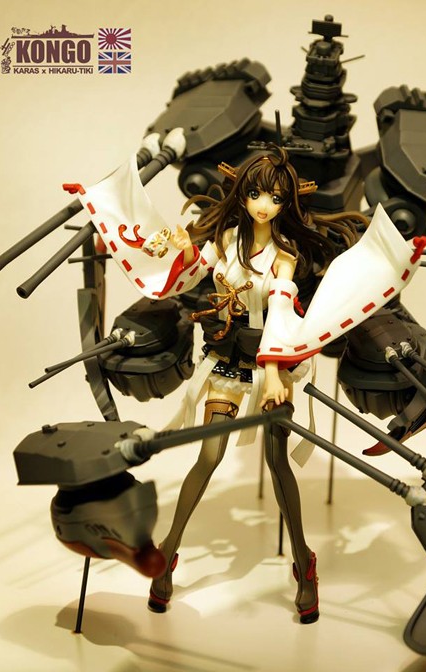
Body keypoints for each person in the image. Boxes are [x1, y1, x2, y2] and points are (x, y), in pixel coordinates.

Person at [146, 144, 367, 623]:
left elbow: (282, 312)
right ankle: (167, 551)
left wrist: (272, 375)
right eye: (256, 194)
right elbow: (194, 271)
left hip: (272, 365)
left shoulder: (284, 256)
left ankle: (304, 562)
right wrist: (177, 246)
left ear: (287, 203)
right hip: (227, 360)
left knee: (276, 460)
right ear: (242, 194)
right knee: (208, 456)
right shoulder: (225, 240)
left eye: (275, 198)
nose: (264, 205)